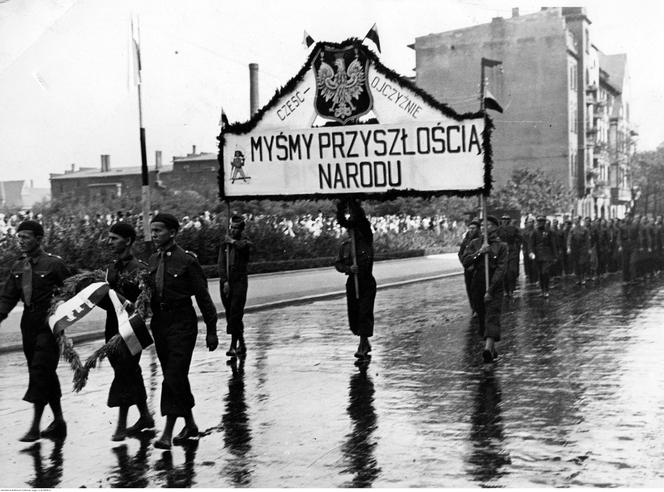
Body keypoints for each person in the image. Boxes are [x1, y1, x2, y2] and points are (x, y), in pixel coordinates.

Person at [148, 213, 219, 449]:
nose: (154, 234)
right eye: (153, 230)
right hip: (160, 323)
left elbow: (203, 297)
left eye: (158, 230)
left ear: (173, 233)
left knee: (173, 375)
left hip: (182, 323)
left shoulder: (187, 261)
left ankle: (167, 433)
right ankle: (190, 424)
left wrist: (211, 329)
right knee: (174, 375)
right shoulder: (152, 260)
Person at [0, 220, 70, 441]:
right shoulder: (19, 266)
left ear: (39, 239)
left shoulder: (54, 264)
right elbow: (8, 297)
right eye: (18, 237)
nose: (21, 241)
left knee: (40, 369)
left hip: (49, 323)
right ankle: (59, 421)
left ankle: (35, 426)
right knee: (42, 372)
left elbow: (72, 289)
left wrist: (61, 304)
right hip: (28, 323)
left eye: (26, 237)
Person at [102, 222, 154, 441]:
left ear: (129, 241)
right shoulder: (111, 268)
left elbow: (146, 302)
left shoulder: (139, 268)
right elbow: (106, 299)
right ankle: (145, 417)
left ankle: (121, 424)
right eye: (110, 238)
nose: (110, 242)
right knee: (128, 370)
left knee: (125, 369)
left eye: (114, 238)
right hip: (112, 326)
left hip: (133, 327)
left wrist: (125, 301)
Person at [461, 215, 508, 363]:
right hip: (478, 284)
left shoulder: (502, 247)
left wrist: (491, 289)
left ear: (495, 228)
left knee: (492, 316)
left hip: (494, 285)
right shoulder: (474, 243)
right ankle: (491, 348)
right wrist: (480, 252)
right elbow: (465, 261)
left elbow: (501, 269)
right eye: (482, 226)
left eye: (487, 225)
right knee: (482, 318)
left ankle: (487, 348)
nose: (483, 228)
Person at [334, 198, 376, 360]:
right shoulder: (346, 246)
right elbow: (338, 264)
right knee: (355, 315)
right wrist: (348, 269)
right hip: (353, 282)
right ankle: (364, 342)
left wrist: (352, 203)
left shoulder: (367, 240)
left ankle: (362, 344)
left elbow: (361, 221)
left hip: (366, 282)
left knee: (364, 313)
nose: (353, 231)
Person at [218, 215, 252, 358]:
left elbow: (244, 247)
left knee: (235, 313)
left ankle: (233, 345)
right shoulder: (224, 244)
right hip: (227, 282)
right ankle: (242, 343)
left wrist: (232, 241)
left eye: (235, 228)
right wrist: (224, 281)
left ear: (241, 229)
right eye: (231, 227)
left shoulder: (244, 243)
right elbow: (220, 263)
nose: (232, 230)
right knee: (229, 313)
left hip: (239, 282)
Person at [528, 215, 558, 297]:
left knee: (545, 272)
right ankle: (542, 290)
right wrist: (531, 252)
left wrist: (555, 256)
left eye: (542, 221)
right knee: (540, 273)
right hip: (537, 256)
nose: (540, 223)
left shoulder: (549, 231)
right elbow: (530, 244)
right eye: (539, 221)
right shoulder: (534, 232)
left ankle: (546, 290)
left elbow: (553, 244)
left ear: (544, 222)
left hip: (547, 255)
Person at [459, 219, 482, 313]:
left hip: (478, 269)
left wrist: (475, 265)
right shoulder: (466, 240)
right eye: (470, 228)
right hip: (468, 268)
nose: (471, 230)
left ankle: (478, 308)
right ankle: (473, 308)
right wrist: (465, 264)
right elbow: (460, 253)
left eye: (473, 228)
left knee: (477, 289)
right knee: (469, 288)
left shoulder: (481, 239)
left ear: (478, 229)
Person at [497, 215, 522, 298]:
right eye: (503, 219)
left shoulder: (513, 229)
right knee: (503, 272)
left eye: (506, 220)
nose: (504, 221)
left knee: (511, 271)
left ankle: (511, 289)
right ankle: (505, 290)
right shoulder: (498, 229)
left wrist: (517, 243)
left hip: (512, 251)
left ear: (509, 220)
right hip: (502, 252)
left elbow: (520, 237)